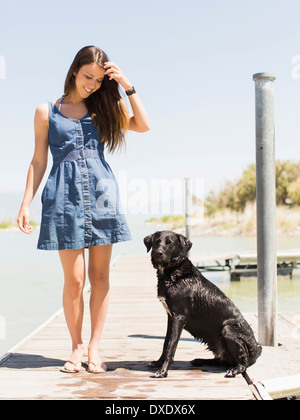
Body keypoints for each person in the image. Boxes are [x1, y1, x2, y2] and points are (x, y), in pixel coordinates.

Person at [17, 46, 150, 373]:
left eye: (98, 79)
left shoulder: (105, 105)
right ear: (75, 70)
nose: (91, 84)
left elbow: (143, 125)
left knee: (100, 277)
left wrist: (126, 85)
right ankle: (76, 347)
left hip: (102, 194)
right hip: (63, 196)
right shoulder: (46, 110)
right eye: (87, 76)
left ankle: (94, 348)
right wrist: (24, 204)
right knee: (74, 281)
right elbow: (38, 160)